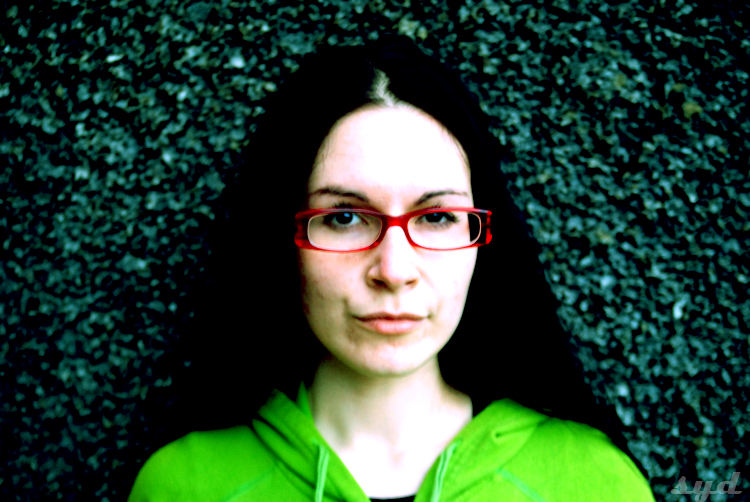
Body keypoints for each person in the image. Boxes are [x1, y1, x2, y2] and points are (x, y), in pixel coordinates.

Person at [128, 36, 655, 501]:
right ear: (282, 237)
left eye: (438, 217)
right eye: (344, 217)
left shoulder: (596, 483)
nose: (394, 270)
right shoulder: (183, 487)